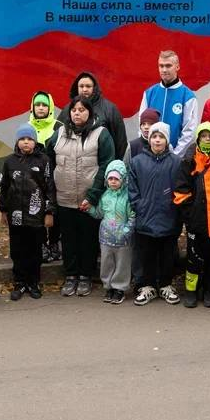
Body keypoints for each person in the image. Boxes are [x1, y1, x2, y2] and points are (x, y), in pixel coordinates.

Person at [47, 96, 115, 297]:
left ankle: (85, 276)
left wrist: (93, 196)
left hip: (89, 199)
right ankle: (71, 276)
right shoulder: (59, 134)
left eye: (82, 110)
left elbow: (106, 165)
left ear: (90, 113)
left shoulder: (101, 134)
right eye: (74, 110)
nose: (77, 113)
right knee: (68, 239)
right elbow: (49, 161)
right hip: (64, 198)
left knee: (88, 239)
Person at [175, 122, 210, 308]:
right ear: (198, 138)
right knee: (194, 259)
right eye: (203, 136)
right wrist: (190, 216)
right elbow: (181, 191)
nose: (207, 139)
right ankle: (191, 291)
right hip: (196, 223)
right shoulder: (189, 160)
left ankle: (209, 290)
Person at [0, 124, 56, 301]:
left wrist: (49, 212)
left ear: (35, 141)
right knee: (17, 251)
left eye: (29, 139)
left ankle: (33, 282)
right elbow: (4, 188)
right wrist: (3, 210)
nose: (26, 142)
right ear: (17, 141)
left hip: (36, 217)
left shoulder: (43, 160)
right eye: (22, 139)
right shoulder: (10, 162)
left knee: (34, 251)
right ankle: (20, 282)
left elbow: (50, 188)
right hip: (15, 215)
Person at [129, 122, 182, 306]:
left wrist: (175, 209)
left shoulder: (176, 162)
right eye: (154, 136)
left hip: (169, 217)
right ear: (149, 139)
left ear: (167, 140)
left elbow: (181, 189)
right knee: (147, 254)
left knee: (167, 254)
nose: (157, 140)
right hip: (146, 219)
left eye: (161, 137)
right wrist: (140, 207)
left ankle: (166, 285)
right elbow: (132, 189)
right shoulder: (137, 162)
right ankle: (148, 286)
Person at [138, 50, 199, 157]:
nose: (164, 70)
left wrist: (174, 156)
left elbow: (189, 132)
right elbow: (141, 125)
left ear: (177, 67)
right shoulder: (149, 93)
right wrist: (148, 151)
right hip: (150, 156)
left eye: (168, 66)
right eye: (161, 66)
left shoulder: (188, 96)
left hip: (175, 159)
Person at [92, 160, 134, 304]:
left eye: (116, 178)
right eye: (110, 178)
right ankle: (108, 286)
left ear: (123, 179)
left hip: (123, 239)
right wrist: (89, 209)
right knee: (107, 262)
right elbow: (99, 213)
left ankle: (120, 288)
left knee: (122, 263)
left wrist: (127, 231)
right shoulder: (104, 196)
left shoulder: (128, 197)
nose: (113, 182)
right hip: (106, 237)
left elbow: (133, 216)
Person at [28, 91, 63, 263]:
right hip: (34, 181)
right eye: (38, 105)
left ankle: (55, 243)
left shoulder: (59, 127)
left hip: (56, 177)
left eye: (44, 105)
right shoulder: (27, 128)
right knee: (37, 212)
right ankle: (41, 244)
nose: (41, 108)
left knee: (54, 212)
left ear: (49, 107)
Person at [71, 71, 128, 160]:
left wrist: (114, 166)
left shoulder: (110, 109)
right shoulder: (69, 109)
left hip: (104, 166)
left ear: (95, 88)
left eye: (88, 86)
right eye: (81, 86)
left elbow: (121, 141)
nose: (84, 89)